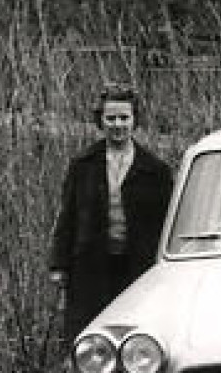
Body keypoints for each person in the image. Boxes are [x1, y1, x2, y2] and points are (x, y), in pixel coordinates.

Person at [48, 85, 175, 339]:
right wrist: (58, 265)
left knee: (136, 332)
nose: (118, 125)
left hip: (138, 268)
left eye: (124, 118)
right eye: (111, 118)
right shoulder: (83, 165)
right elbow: (68, 216)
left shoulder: (155, 170)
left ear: (135, 120)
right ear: (101, 121)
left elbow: (168, 222)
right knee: (90, 334)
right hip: (91, 266)